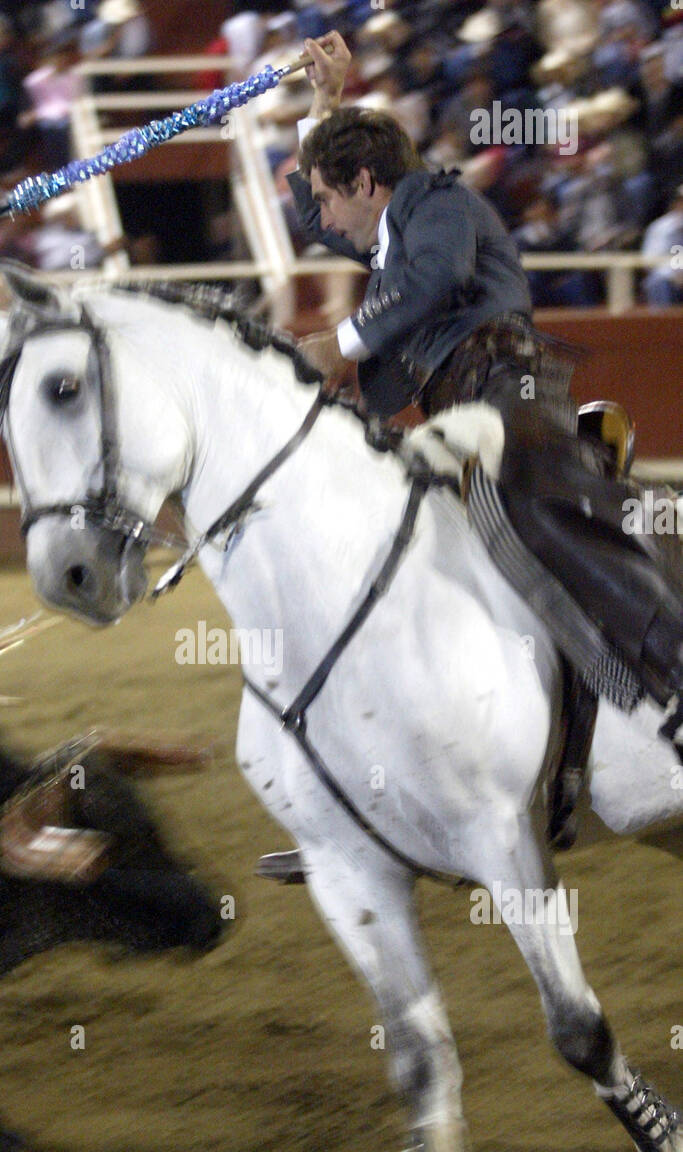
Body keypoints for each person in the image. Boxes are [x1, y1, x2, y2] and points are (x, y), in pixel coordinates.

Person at [288, 30, 683, 716]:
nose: (320, 216)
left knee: (538, 511)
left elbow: (439, 277)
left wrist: (343, 341)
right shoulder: (390, 236)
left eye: (329, 196)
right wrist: (323, 105)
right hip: (467, 411)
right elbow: (325, 224)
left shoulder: (432, 201)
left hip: (505, 390)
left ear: (365, 184)